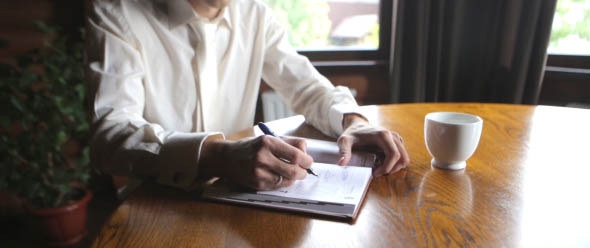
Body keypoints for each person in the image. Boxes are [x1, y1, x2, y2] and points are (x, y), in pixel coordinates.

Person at [86, 0, 410, 191]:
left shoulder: (254, 14)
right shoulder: (117, 14)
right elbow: (110, 136)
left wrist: (352, 121)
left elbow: (307, 87)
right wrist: (215, 155)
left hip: (242, 198)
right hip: (156, 202)